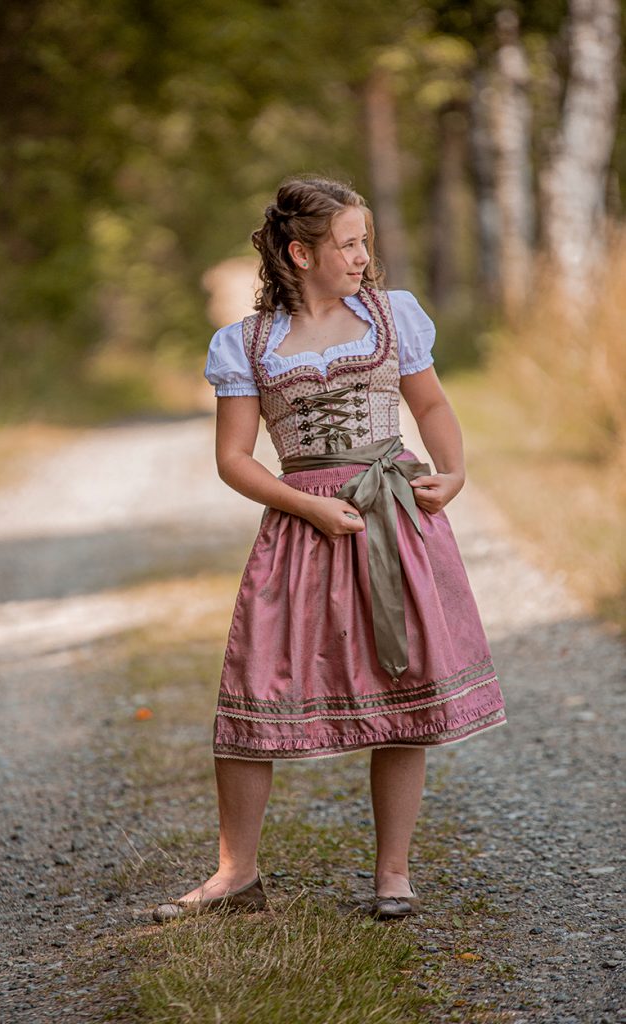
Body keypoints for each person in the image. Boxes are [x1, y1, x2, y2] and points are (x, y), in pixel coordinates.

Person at [153, 175, 506, 924]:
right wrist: (309, 505)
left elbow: (431, 403)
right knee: (255, 681)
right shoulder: (246, 343)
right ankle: (235, 873)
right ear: (299, 252)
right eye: (346, 243)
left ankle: (392, 873)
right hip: (300, 522)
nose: (360, 255)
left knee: (400, 682)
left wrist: (453, 470)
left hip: (391, 515)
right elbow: (235, 459)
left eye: (363, 240)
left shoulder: (390, 316)